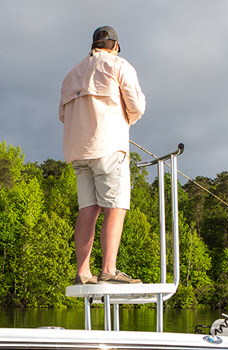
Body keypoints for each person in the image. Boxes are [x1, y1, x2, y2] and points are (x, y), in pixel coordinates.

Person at [59, 25, 146, 285]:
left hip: (78, 151)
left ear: (93, 45)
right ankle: (108, 269)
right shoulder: (119, 66)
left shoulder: (70, 74)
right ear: (116, 47)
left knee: (88, 209)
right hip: (108, 148)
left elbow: (63, 115)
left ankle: (83, 272)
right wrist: (125, 121)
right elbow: (137, 106)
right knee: (115, 207)